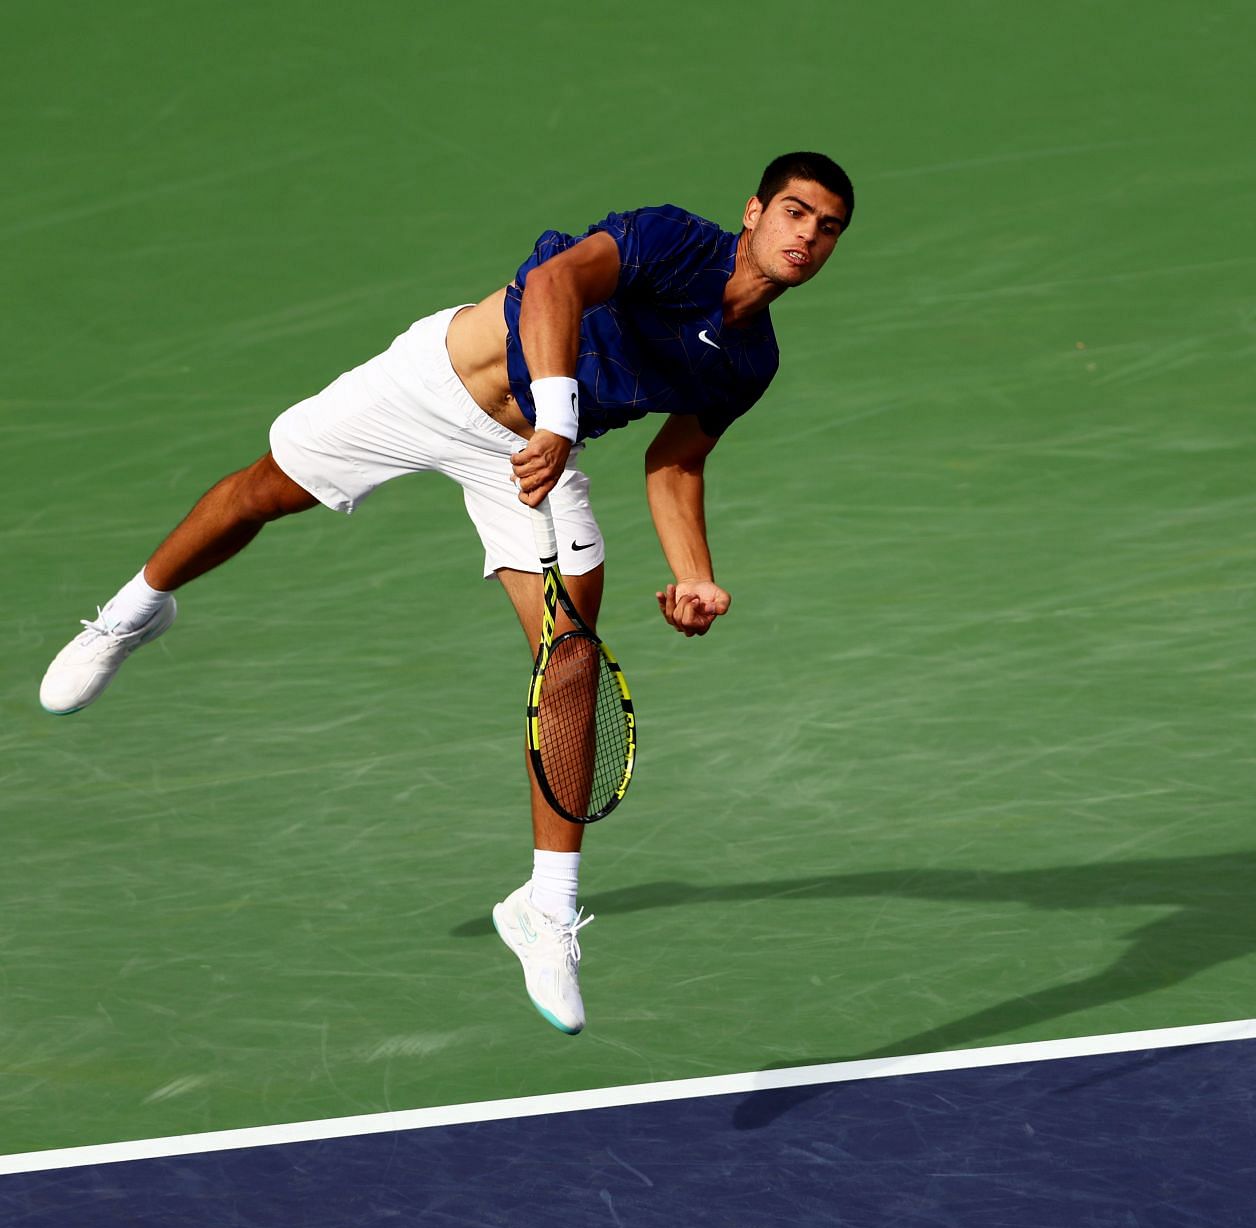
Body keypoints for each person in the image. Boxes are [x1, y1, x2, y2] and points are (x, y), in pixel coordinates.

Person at [38, 151, 856, 1036]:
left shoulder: (748, 362)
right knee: (260, 493)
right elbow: (550, 284)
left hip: (532, 462)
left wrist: (694, 572)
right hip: (435, 386)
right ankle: (133, 611)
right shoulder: (671, 240)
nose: (806, 236)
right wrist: (555, 417)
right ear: (754, 211)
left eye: (827, 227)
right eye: (795, 212)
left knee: (571, 655)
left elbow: (676, 460)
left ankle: (545, 908)